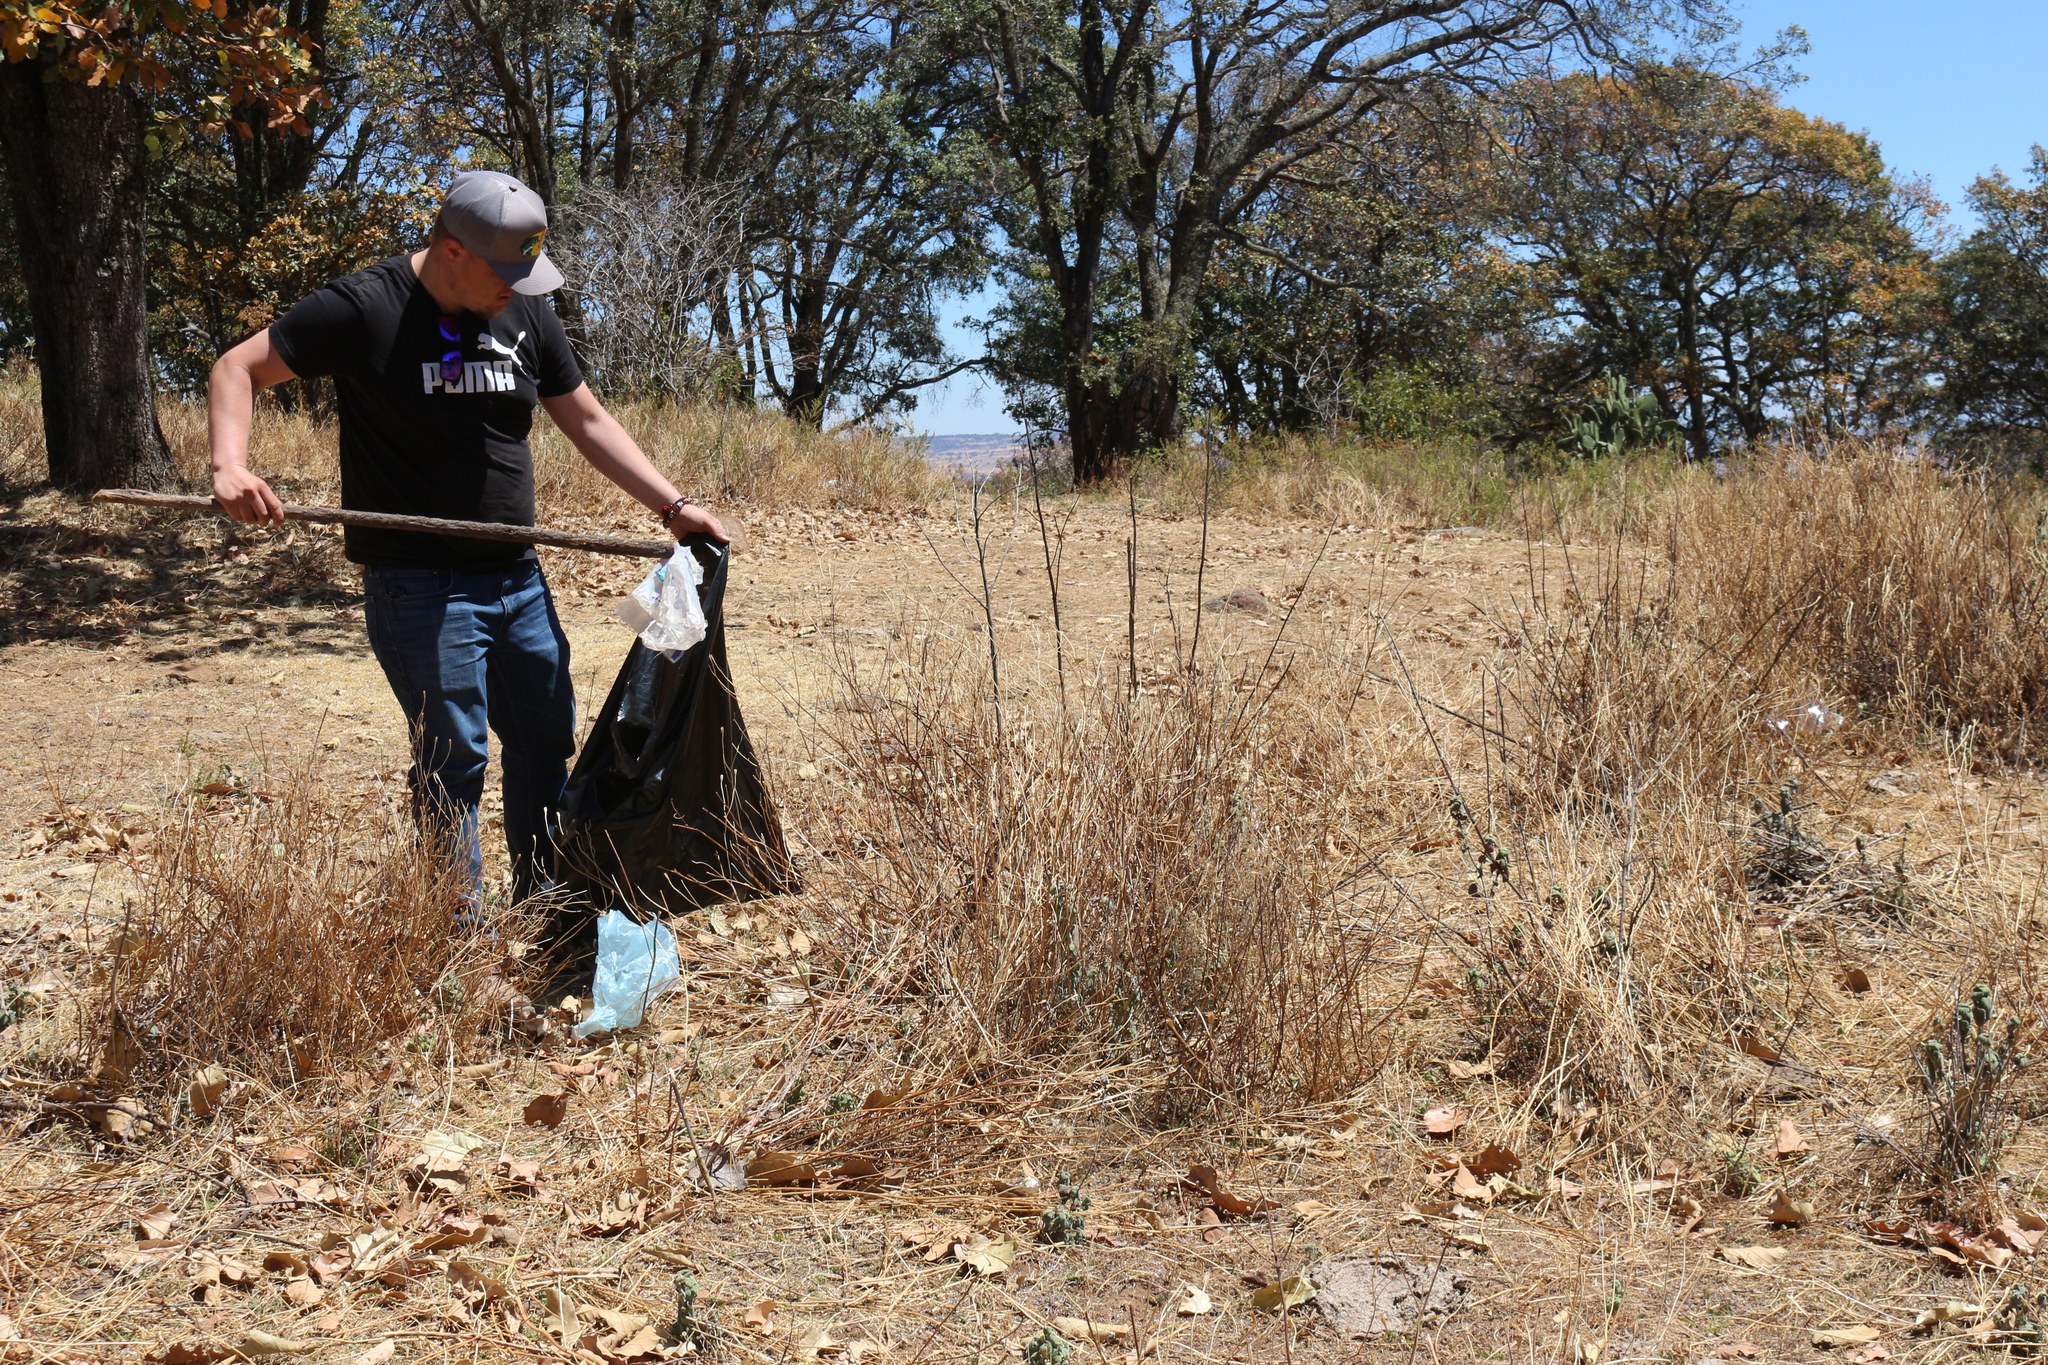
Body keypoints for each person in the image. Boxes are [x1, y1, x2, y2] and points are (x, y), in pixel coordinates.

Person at [207, 169, 727, 923]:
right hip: (419, 585)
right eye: (506, 272)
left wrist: (672, 505)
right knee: (455, 759)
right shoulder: (365, 306)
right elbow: (237, 367)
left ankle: (547, 901)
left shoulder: (524, 312)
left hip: (517, 576)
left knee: (546, 738)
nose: (519, 289)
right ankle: (454, 934)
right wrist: (229, 464)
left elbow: (585, 419)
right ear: (452, 250)